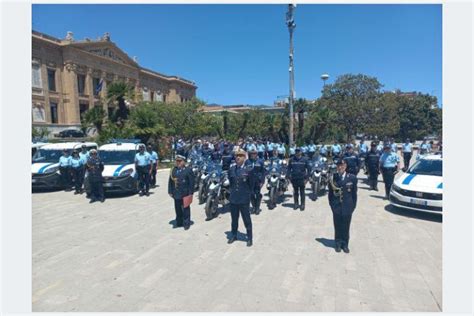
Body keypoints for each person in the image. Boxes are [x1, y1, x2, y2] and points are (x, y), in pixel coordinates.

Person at [227, 149, 256, 247]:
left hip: (244, 199)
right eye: (236, 156)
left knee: (246, 219)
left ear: (244, 157)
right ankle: (234, 235)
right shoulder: (231, 169)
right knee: (234, 219)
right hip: (234, 198)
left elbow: (251, 184)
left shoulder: (249, 169)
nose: (238, 157)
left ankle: (249, 237)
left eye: (240, 156)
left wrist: (247, 195)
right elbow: (231, 183)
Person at [328, 159, 357, 253]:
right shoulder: (333, 178)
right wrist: (332, 206)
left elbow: (354, 194)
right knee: (337, 226)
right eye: (338, 165)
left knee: (346, 226)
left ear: (346, 166)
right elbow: (330, 195)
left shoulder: (352, 178)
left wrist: (352, 207)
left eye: (342, 165)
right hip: (336, 207)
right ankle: (338, 244)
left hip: (347, 207)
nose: (340, 167)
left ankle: (345, 244)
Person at [168, 155, 195, 230]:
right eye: (177, 161)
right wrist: (170, 191)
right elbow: (170, 181)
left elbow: (191, 183)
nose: (178, 162)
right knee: (177, 208)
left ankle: (186, 223)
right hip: (176, 193)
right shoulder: (174, 170)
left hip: (185, 193)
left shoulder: (188, 170)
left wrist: (190, 193)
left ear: (184, 162)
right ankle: (179, 222)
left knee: (186, 209)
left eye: (180, 161)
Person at [245, 149, 265, 215]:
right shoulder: (247, 161)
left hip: (258, 180)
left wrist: (262, 181)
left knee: (258, 194)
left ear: (256, 154)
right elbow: (245, 171)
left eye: (254, 153)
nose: (253, 155)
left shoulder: (260, 161)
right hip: (250, 180)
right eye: (251, 153)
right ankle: (253, 206)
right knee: (251, 194)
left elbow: (263, 172)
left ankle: (257, 208)